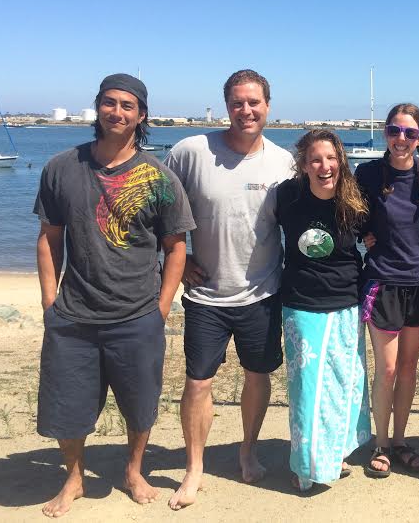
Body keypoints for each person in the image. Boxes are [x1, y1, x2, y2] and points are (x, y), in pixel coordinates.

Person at [34, 73, 194, 517]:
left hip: (137, 316)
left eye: (128, 105)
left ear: (141, 115)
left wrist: (160, 310)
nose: (117, 112)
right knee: (69, 405)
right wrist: (50, 301)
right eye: (109, 103)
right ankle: (74, 478)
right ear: (98, 107)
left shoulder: (159, 177)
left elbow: (176, 249)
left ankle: (133, 470)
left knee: (140, 404)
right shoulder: (62, 167)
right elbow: (49, 239)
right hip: (73, 315)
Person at [164, 69, 295, 510]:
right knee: (198, 382)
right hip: (206, 296)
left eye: (254, 102)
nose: (246, 111)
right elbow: (161, 211)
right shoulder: (190, 152)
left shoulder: (283, 161)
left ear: (268, 106)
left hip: (262, 293)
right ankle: (194, 467)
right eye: (238, 103)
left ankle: (247, 450)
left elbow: (303, 220)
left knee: (258, 377)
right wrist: (177, 262)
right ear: (227, 107)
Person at [275, 129, 371, 491]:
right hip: (301, 304)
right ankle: (308, 464)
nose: (324, 166)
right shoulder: (287, 196)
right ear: (303, 164)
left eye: (331, 158)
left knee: (342, 384)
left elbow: (376, 236)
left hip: (346, 303)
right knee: (308, 388)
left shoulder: (354, 201)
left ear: (341, 161)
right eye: (316, 159)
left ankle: (335, 453)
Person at [355, 103, 419, 478]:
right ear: (386, 133)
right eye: (394, 131)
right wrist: (363, 234)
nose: (400, 139)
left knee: (408, 367)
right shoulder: (369, 172)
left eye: (410, 133)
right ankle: (381, 443)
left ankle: (402, 441)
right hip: (383, 281)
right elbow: (348, 212)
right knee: (386, 369)